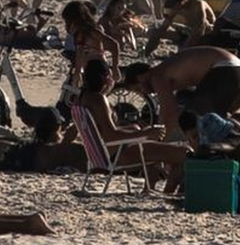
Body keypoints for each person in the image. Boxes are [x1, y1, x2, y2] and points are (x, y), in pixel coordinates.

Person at [77, 59, 188, 191]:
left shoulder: (83, 98)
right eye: (111, 75)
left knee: (152, 142)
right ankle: (168, 193)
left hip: (107, 154)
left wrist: (137, 130)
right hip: (118, 156)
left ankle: (150, 187)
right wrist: (145, 133)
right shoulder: (99, 100)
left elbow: (102, 132)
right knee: (186, 153)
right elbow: (110, 136)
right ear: (105, 76)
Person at [121, 46, 240, 139]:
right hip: (236, 68)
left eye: (138, 89)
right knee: (213, 118)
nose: (142, 93)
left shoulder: (157, 76)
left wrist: (158, 142)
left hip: (224, 68)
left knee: (196, 120)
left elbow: (169, 113)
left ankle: (239, 141)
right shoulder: (165, 70)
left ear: (142, 77)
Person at [61, 0, 122, 84]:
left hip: (98, 69)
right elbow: (79, 53)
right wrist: (77, 72)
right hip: (87, 69)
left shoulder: (93, 33)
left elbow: (114, 45)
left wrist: (115, 68)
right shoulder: (79, 35)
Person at [144, 0, 215, 55]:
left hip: (207, 34)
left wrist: (182, 51)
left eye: (176, 4)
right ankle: (146, 54)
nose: (176, 8)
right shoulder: (174, 7)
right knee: (156, 32)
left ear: (183, 0)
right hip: (189, 32)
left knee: (198, 32)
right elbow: (164, 26)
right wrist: (155, 37)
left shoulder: (197, 5)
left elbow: (199, 31)